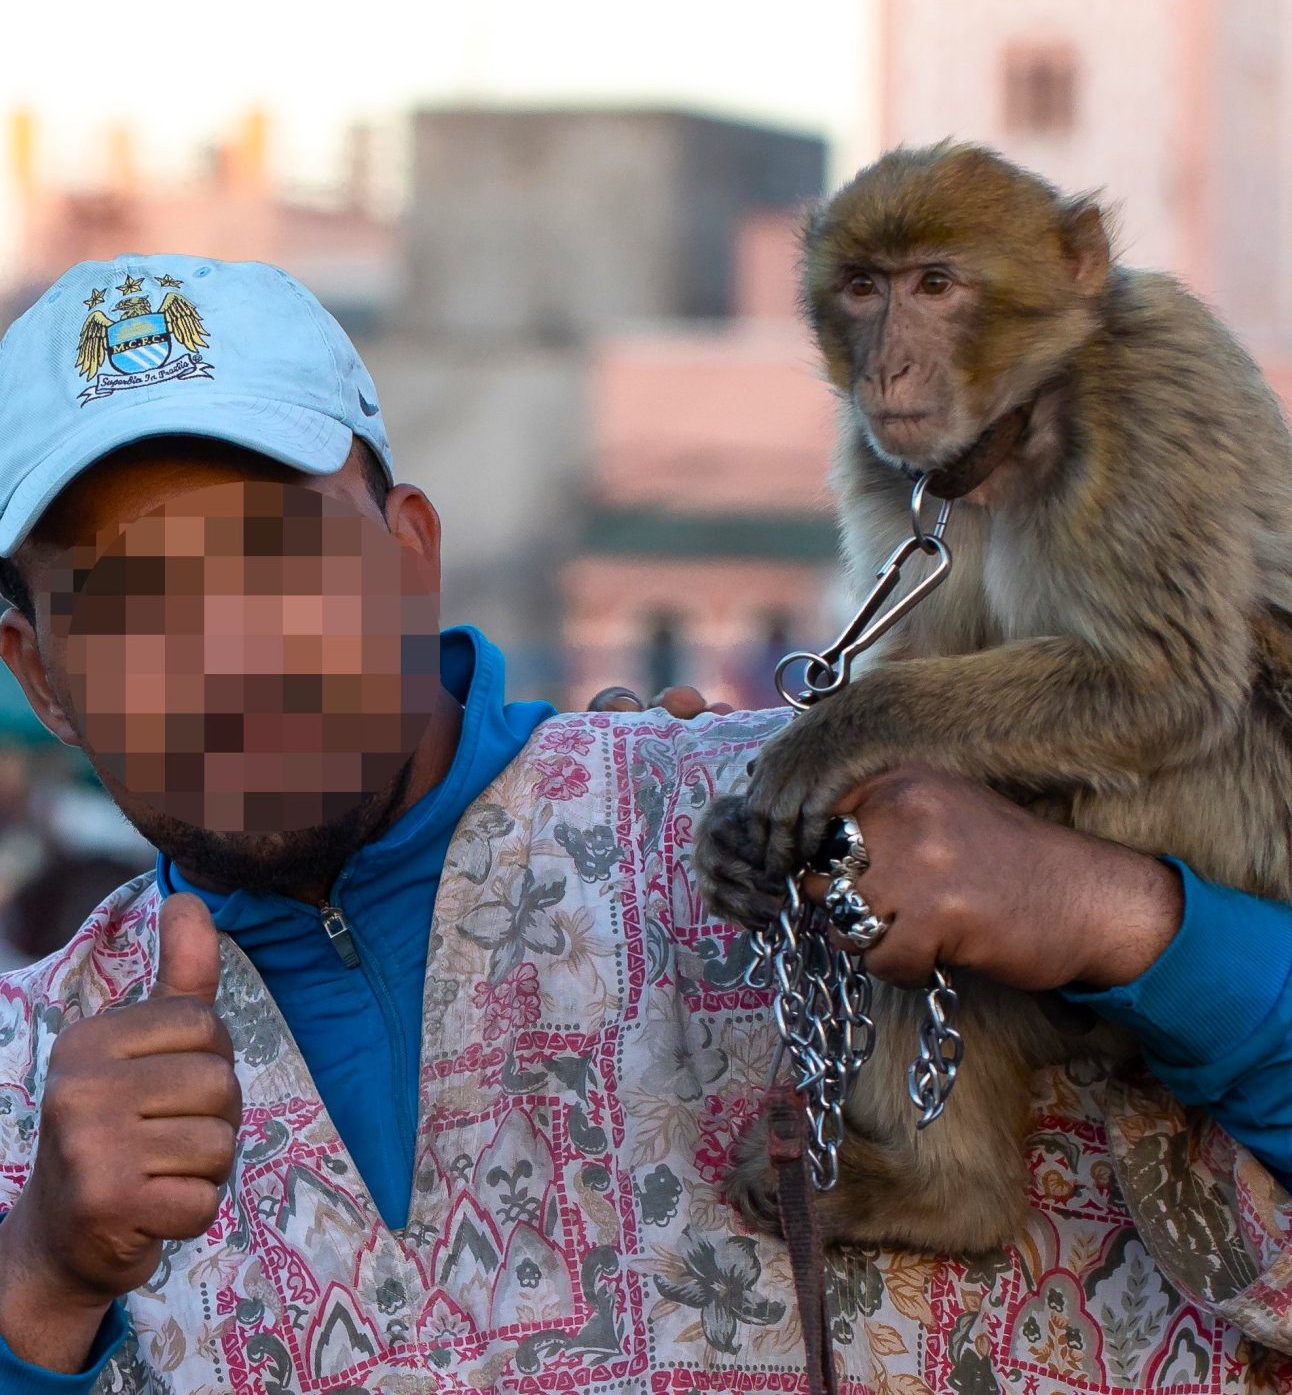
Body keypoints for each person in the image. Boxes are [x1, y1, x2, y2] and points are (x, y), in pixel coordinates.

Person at [0, 255, 1290, 1395]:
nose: (226, 652)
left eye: (278, 556)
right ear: (40, 674)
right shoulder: (26, 1102)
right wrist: (42, 1293)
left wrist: (1126, 921)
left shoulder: (834, 829)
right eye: (125, 607)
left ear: (407, 554)